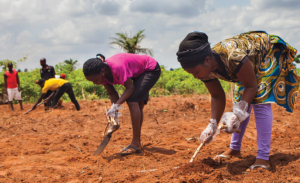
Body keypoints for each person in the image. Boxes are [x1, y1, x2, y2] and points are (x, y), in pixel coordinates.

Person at [176, 31, 299, 171]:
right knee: (239, 103)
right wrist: (213, 124)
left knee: (259, 101)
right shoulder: (204, 68)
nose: (195, 77)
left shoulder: (232, 56)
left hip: (266, 53)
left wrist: (239, 114)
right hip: (245, 63)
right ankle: (234, 149)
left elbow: (251, 86)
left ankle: (263, 157)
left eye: (196, 72)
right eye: (191, 74)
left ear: (207, 60)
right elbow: (217, 96)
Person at [83, 53, 161, 155]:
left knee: (132, 100)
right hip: (137, 72)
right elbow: (112, 94)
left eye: (95, 80)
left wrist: (115, 107)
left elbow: (130, 88)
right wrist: (114, 115)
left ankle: (135, 144)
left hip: (149, 68)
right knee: (137, 103)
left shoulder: (117, 67)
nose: (95, 83)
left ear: (102, 72)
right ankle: (137, 142)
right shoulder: (103, 74)